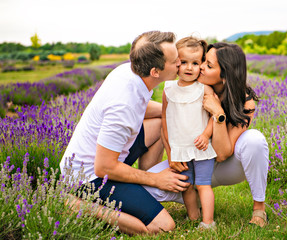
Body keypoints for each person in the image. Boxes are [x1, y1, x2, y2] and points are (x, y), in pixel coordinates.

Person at [59, 31, 190, 235]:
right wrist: (156, 179)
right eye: (175, 61)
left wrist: (175, 108)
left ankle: (146, 190)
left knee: (162, 122)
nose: (180, 64)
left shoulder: (129, 72)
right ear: (155, 71)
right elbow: (103, 167)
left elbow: (141, 108)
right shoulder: (122, 107)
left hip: (110, 153)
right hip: (88, 176)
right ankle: (76, 204)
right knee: (163, 227)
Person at [144, 42, 269, 227]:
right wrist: (172, 156)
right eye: (203, 61)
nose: (200, 67)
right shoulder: (189, 88)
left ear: (225, 75)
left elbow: (223, 153)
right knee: (146, 188)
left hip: (225, 166)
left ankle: (259, 208)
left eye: (208, 65)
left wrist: (218, 113)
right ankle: (198, 202)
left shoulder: (245, 102)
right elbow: (166, 116)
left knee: (254, 140)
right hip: (190, 159)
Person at [162, 37, 217, 229]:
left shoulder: (204, 89)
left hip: (201, 147)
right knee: (186, 186)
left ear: (202, 64)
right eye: (183, 62)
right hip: (180, 148)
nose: (188, 67)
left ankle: (208, 222)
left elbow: (214, 116)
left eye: (195, 63)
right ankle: (193, 217)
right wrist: (170, 152)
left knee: (203, 185)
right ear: (176, 62)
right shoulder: (168, 88)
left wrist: (206, 135)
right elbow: (165, 120)